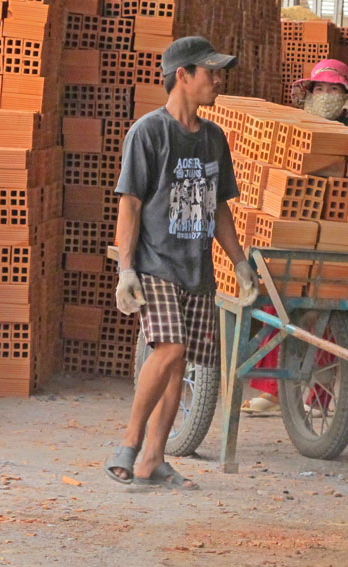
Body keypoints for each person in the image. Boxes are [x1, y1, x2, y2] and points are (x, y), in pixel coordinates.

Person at [104, 36, 258, 489]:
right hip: (156, 264)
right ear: (182, 76)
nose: (218, 79)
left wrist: (240, 262)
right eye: (209, 71)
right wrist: (126, 269)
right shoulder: (148, 132)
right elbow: (129, 204)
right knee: (168, 349)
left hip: (198, 269)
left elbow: (220, 207)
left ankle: (152, 459)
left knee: (180, 363)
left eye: (219, 71)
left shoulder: (213, 139)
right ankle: (129, 444)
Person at [241, 59, 348, 415]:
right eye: (320, 89)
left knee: (326, 315)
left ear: (346, 98)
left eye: (334, 90)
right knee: (273, 308)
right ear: (309, 95)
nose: (326, 96)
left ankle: (321, 396)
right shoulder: (294, 135)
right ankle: (271, 392)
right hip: (292, 235)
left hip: (334, 239)